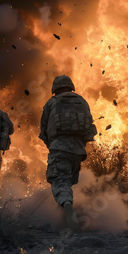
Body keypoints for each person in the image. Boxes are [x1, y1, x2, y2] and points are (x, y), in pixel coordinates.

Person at [39, 75, 97, 231]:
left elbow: (43, 129)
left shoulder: (52, 103)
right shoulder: (82, 102)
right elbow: (90, 127)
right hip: (78, 151)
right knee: (67, 182)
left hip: (59, 148)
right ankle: (64, 215)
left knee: (61, 182)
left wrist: (52, 145)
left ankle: (67, 206)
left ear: (55, 89)